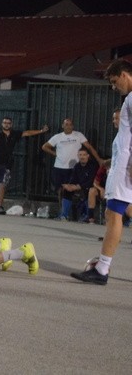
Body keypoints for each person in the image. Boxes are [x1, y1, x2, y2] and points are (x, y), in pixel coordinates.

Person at [71, 59, 132, 285]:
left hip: (126, 166)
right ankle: (102, 266)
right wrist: (111, 159)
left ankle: (102, 269)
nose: (114, 87)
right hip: (122, 162)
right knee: (118, 210)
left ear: (125, 75)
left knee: (113, 213)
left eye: (115, 82)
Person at [0, 118, 48, 214]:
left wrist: (41, 131)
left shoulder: (14, 134)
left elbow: (27, 133)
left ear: (11, 124)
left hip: (7, 163)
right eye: (5, 123)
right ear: (1, 124)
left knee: (2, 184)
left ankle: (0, 206)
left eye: (8, 123)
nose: (6, 124)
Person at [42, 118, 104, 211]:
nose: (68, 126)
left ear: (73, 126)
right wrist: (55, 154)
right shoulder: (57, 137)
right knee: (60, 190)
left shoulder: (78, 135)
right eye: (66, 124)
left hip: (73, 168)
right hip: (59, 167)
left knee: (74, 190)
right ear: (63, 126)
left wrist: (98, 159)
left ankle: (74, 211)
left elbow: (89, 147)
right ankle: (62, 211)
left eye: (70, 124)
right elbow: (44, 146)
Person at [59, 147, 98, 221]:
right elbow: (73, 179)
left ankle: (87, 215)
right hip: (78, 187)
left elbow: (92, 181)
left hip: (90, 187)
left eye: (84, 155)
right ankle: (64, 215)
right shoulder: (77, 166)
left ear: (88, 156)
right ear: (78, 156)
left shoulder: (93, 166)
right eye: (80, 155)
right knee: (66, 191)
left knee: (88, 191)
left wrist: (78, 187)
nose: (82, 157)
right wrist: (69, 186)